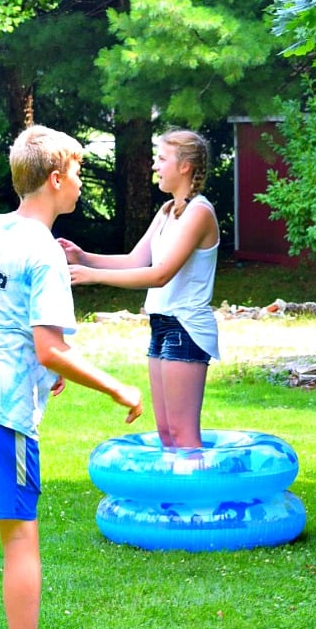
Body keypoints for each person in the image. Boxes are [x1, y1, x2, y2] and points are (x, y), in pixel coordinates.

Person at [0, 125, 142, 629]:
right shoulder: (46, 256)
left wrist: (42, 365)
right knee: (19, 534)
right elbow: (49, 348)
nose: (80, 183)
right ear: (56, 180)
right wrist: (115, 387)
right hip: (4, 415)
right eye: (78, 172)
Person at [60, 129, 219, 450]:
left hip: (185, 329)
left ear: (185, 166)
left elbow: (159, 275)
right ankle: (176, 501)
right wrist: (83, 255)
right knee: (166, 434)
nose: (155, 166)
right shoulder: (166, 212)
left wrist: (92, 275)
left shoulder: (200, 212)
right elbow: (136, 259)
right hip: (161, 327)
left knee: (183, 434)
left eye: (162, 159)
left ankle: (196, 501)